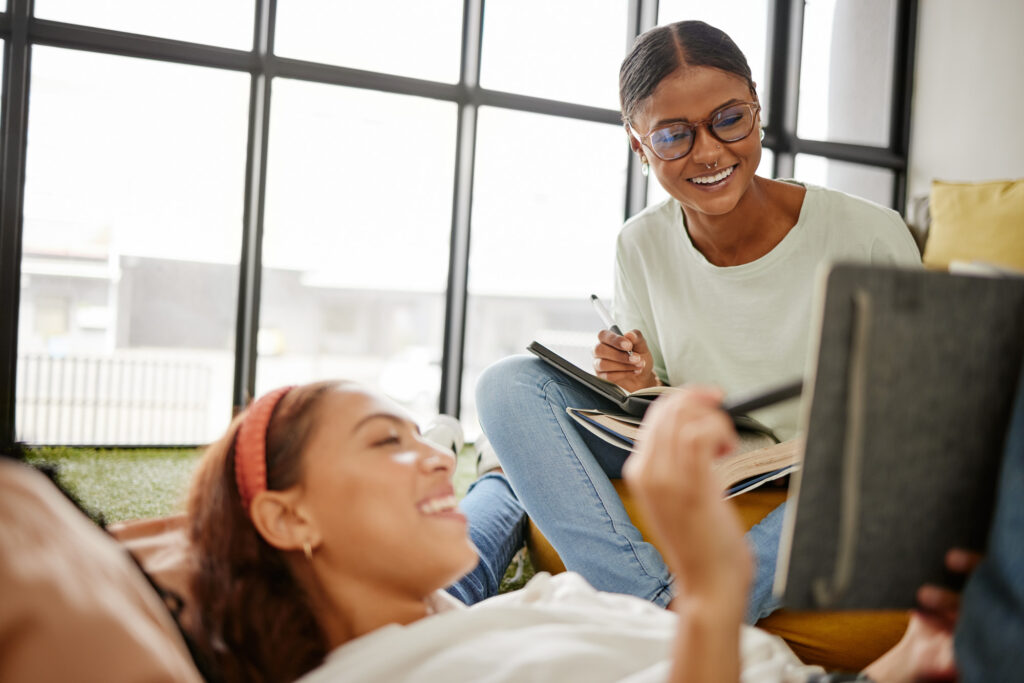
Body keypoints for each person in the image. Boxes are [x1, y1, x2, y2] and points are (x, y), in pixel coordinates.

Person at [475, 20, 921, 620]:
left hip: (831, 468)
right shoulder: (639, 244)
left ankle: (670, 620)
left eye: (729, 120)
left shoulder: (869, 232)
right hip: (711, 454)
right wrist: (635, 381)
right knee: (508, 384)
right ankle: (654, 604)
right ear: (640, 146)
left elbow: (915, 412)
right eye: (673, 137)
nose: (709, 153)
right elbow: (654, 396)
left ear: (757, 110)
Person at [180, 380, 977, 682]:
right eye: (387, 440)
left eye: (422, 435)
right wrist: (707, 589)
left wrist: (912, 656)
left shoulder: (519, 613)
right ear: (289, 516)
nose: (430, 456)